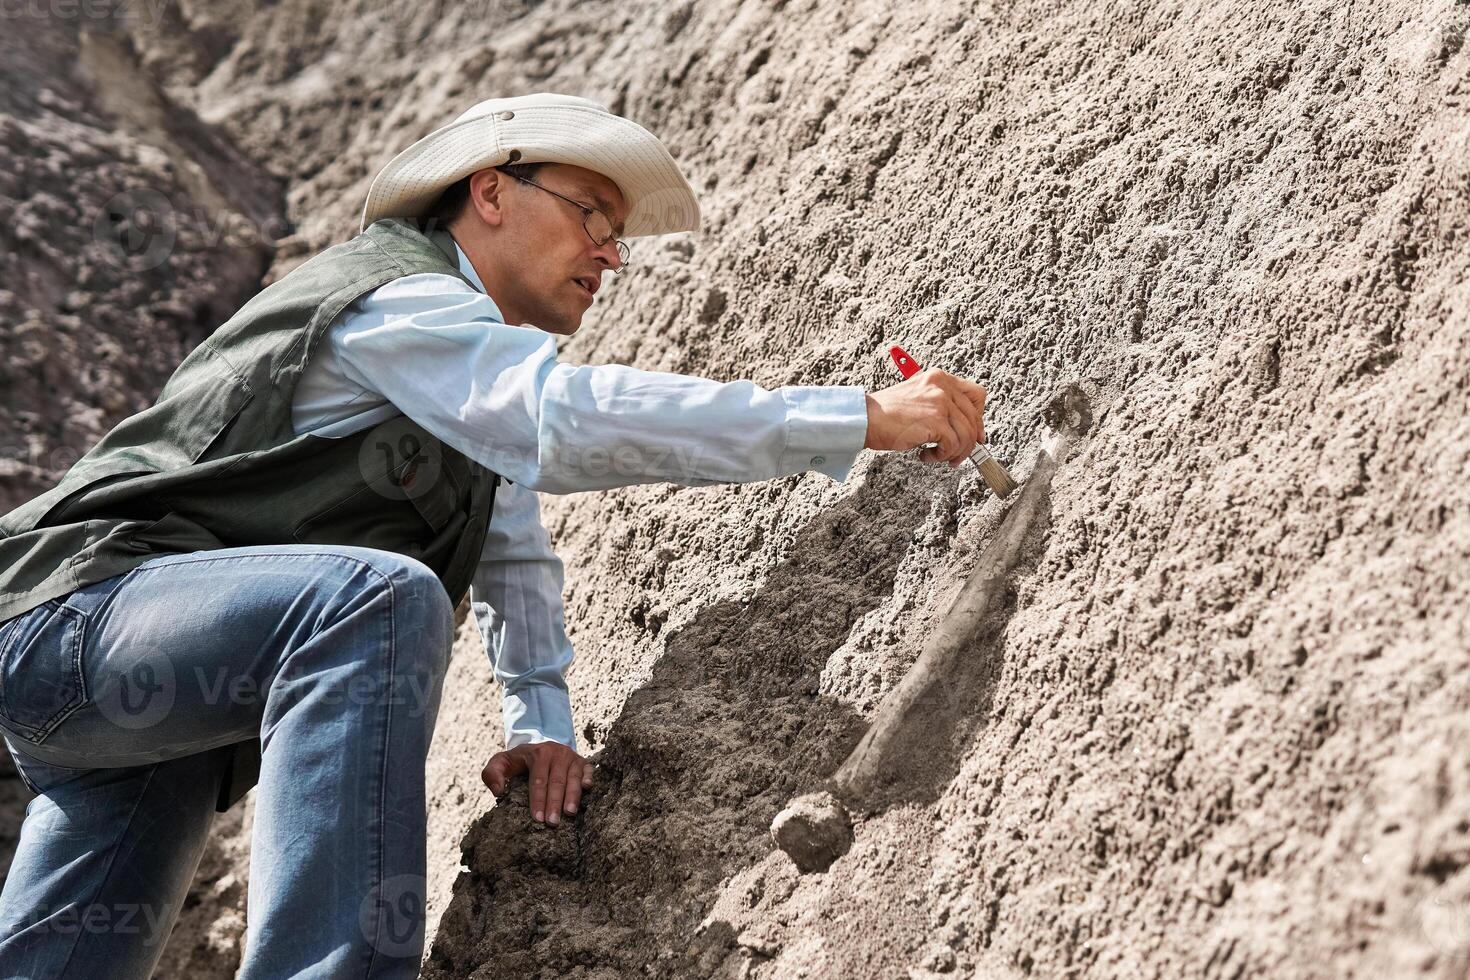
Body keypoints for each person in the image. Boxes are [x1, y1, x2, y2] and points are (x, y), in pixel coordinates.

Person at [0, 93, 991, 978]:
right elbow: (557, 422)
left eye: (619, 236)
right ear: (489, 192)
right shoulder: (399, 295)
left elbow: (511, 544)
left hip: (152, 709)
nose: (610, 251)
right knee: (375, 599)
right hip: (73, 617)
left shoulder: (461, 377)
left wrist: (540, 720)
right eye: (594, 214)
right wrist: (858, 415)